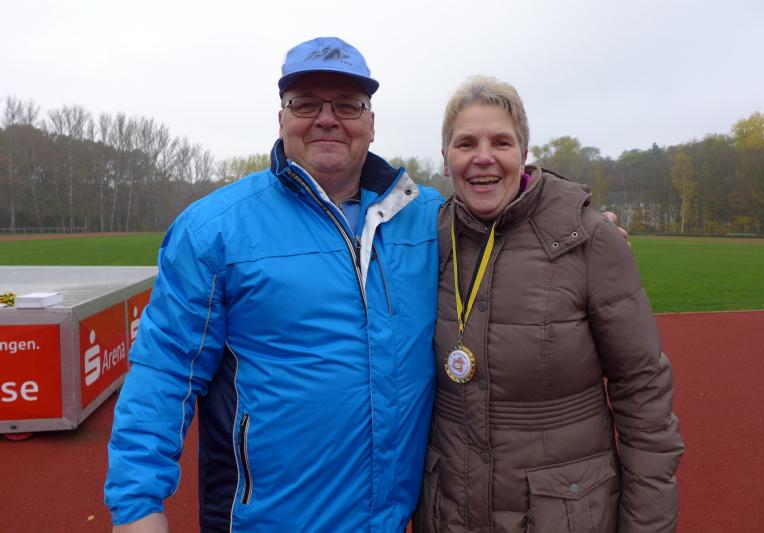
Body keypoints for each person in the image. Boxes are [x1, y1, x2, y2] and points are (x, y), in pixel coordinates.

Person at [105, 36, 443, 532]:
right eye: (306, 104)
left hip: (391, 520)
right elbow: (165, 369)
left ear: (371, 123)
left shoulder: (430, 218)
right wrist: (137, 505)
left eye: (347, 105)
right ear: (281, 119)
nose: (327, 118)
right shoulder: (213, 228)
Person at [413, 76, 684, 532]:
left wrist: (647, 525)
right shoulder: (425, 240)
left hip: (563, 514)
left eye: (501, 142)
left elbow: (643, 391)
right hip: (449, 511)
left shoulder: (589, 238)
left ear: (523, 153)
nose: (483, 157)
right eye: (466, 143)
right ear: (445, 158)